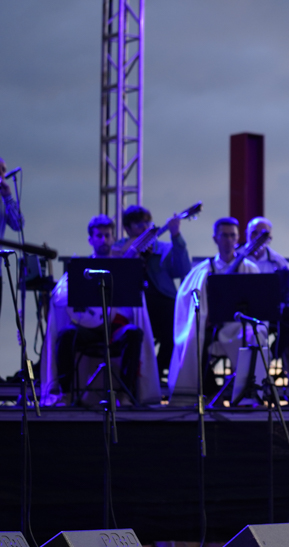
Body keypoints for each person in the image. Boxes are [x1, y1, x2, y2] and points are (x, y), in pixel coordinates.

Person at [39, 215, 161, 406]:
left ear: (113, 238)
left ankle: (125, 394)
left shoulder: (124, 269)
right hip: (88, 329)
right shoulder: (81, 269)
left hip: (115, 329)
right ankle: (65, 393)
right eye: (99, 236)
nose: (104, 240)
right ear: (91, 240)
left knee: (134, 334)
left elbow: (134, 304)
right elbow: (61, 297)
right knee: (66, 335)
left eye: (107, 235)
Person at [167, 217, 267, 404]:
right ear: (215, 238)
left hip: (238, 326)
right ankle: (211, 392)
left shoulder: (249, 268)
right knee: (194, 339)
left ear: (237, 238)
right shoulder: (204, 269)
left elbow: (258, 303)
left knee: (257, 334)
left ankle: (250, 394)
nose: (228, 240)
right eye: (224, 235)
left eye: (232, 236)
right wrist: (205, 315)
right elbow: (186, 297)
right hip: (212, 326)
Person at [112, 205, 192, 376]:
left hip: (162, 304)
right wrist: (133, 252)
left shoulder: (163, 249)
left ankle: (156, 369)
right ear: (127, 229)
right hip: (132, 305)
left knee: (177, 319)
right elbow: (115, 267)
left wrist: (176, 236)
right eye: (139, 224)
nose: (145, 228)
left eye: (147, 223)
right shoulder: (119, 248)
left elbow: (183, 270)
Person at [0, 157, 25, 317]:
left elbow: (18, 224)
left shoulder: (3, 199)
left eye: (3, 169)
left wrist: (8, 197)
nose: (2, 173)